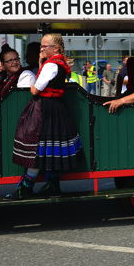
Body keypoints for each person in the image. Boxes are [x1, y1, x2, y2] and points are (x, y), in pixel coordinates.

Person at [10, 33, 83, 198]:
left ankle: (26, 187)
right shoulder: (60, 63)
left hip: (46, 108)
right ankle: (52, 185)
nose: (41, 49)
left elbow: (36, 89)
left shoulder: (51, 65)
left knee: (38, 148)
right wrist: (41, 62)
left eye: (44, 46)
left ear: (55, 48)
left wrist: (35, 80)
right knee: (51, 148)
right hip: (57, 107)